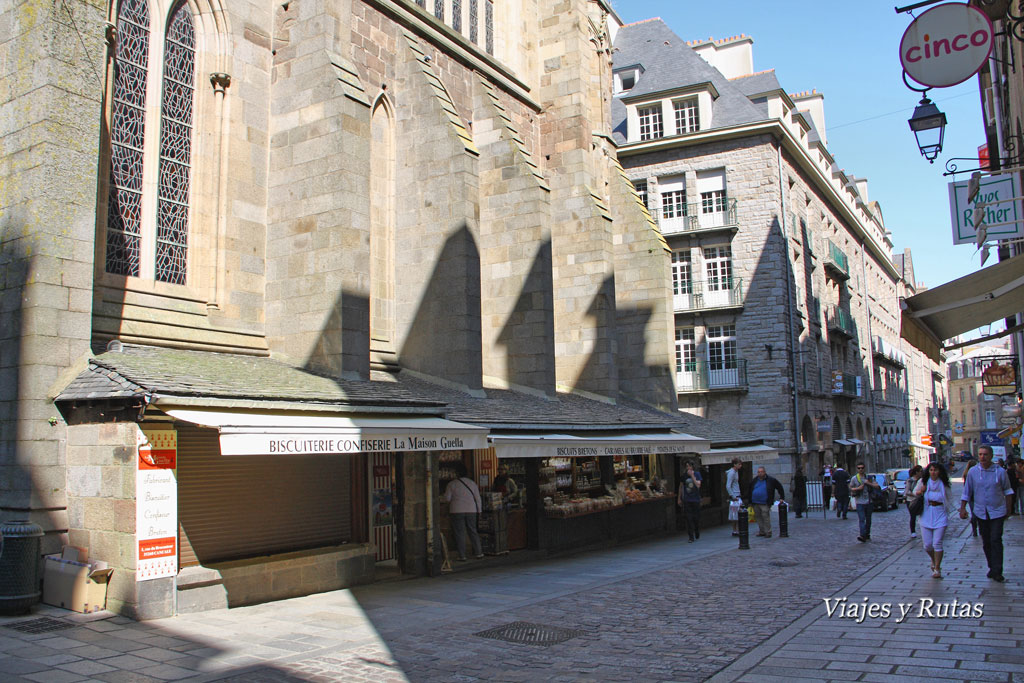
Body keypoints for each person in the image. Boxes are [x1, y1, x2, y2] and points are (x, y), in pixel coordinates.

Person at [960, 445, 1014, 582]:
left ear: (991, 456)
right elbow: (967, 492)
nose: (982, 457)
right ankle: (991, 566)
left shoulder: (1000, 472)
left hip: (997, 510)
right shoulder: (973, 472)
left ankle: (997, 570)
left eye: (985, 454)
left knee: (996, 539)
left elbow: (1008, 491)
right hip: (980, 511)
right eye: (980, 454)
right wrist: (963, 508)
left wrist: (1009, 508)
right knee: (986, 541)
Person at [914, 462, 954, 579]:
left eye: (935, 470)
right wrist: (921, 491)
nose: (933, 472)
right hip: (926, 513)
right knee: (927, 545)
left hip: (940, 513)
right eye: (931, 470)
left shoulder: (944, 484)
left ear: (940, 471)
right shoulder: (923, 482)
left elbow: (949, 498)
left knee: (937, 542)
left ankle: (937, 567)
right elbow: (914, 493)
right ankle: (933, 559)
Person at [443, 461, 483, 561]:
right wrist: (479, 511)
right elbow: (477, 498)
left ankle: (462, 555)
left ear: (457, 473)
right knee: (473, 531)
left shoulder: (452, 484)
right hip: (471, 510)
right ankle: (479, 552)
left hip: (457, 510)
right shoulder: (472, 483)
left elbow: (447, 498)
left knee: (459, 533)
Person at [743, 466, 785, 538]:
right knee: (758, 517)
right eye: (758, 472)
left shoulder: (771, 480)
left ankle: (768, 532)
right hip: (755, 502)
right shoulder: (754, 480)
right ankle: (762, 531)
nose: (760, 473)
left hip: (765, 502)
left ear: (765, 472)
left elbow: (779, 487)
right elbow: (750, 490)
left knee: (765, 516)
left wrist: (782, 497)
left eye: (761, 472)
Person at [849, 462, 880, 542]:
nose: (860, 469)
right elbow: (851, 488)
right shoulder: (854, 478)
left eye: (862, 468)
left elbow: (876, 486)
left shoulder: (869, 478)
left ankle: (867, 533)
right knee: (862, 519)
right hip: (859, 501)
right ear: (857, 469)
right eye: (859, 468)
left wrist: (868, 483)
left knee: (868, 519)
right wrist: (858, 489)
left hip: (869, 501)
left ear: (864, 468)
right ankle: (862, 535)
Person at [678, 461, 702, 543]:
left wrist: (692, 476)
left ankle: (697, 530)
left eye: (689, 466)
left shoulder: (697, 474)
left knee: (696, 518)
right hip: (687, 500)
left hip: (696, 499)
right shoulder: (684, 476)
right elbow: (681, 487)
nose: (688, 468)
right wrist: (679, 498)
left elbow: (698, 485)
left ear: (692, 467)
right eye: (687, 466)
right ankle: (691, 536)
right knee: (688, 518)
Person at [903, 465, 924, 539]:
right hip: (911, 500)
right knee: (913, 516)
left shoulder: (921, 480)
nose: (922, 473)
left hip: (919, 500)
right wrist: (914, 494)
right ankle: (913, 531)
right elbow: (906, 492)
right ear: (916, 472)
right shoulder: (910, 480)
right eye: (920, 471)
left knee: (922, 514)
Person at [726, 457, 742, 536]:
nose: (740, 466)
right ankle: (735, 530)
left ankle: (737, 529)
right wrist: (732, 495)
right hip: (735, 496)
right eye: (739, 464)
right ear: (734, 464)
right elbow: (728, 486)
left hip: (737, 494)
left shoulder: (736, 472)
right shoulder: (732, 473)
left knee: (737, 513)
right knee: (734, 513)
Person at [963, 458, 978, 537]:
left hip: (971, 497)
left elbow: (965, 487)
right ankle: (975, 527)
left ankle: (974, 528)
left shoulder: (966, 474)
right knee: (977, 513)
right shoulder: (973, 474)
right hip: (975, 496)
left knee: (974, 513)